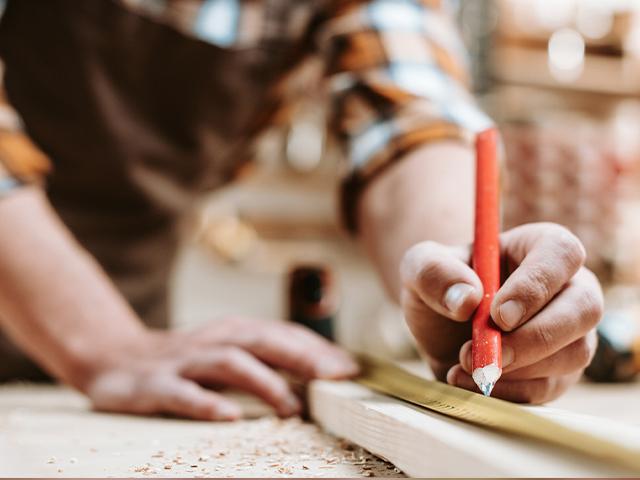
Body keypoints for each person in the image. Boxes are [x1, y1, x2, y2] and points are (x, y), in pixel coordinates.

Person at [0, 0, 602, 420]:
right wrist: (103, 344)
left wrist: (455, 277)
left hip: (129, 313)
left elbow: (410, 111)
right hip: (98, 330)